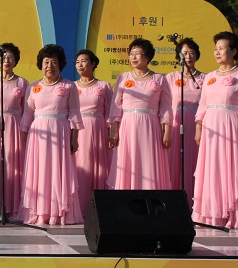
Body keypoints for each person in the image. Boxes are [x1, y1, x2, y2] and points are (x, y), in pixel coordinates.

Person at [192, 31, 238, 229]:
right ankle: (211, 215)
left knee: (232, 168)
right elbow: (203, 105)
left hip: (232, 126)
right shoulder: (210, 77)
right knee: (212, 169)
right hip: (211, 129)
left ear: (234, 51)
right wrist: (199, 127)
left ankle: (236, 214)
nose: (217, 52)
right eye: (215, 49)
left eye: (222, 48)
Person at [19, 44, 83, 226]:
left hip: (60, 132)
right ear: (41, 64)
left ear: (60, 65)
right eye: (46, 62)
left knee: (57, 171)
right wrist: (25, 138)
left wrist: (74, 138)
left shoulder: (69, 86)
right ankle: (39, 212)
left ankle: (58, 212)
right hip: (37, 135)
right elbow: (27, 114)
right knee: (40, 172)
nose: (49, 66)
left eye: (54, 62)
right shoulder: (33, 87)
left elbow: (74, 113)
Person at [107, 38, 173, 190]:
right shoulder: (123, 77)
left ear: (147, 57)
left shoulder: (160, 79)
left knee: (149, 161)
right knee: (128, 160)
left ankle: (150, 196)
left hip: (150, 127)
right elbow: (116, 106)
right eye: (131, 53)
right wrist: (113, 131)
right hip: (128, 126)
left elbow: (166, 107)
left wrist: (167, 132)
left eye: (138, 53)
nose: (133, 57)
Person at [0, 42, 29, 221]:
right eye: (3, 57)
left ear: (16, 60)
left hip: (15, 126)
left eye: (10, 57)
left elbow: (27, 111)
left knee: (14, 165)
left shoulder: (22, 83)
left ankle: (14, 207)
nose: (6, 60)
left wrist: (24, 133)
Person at [73, 49, 113, 217]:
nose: (80, 65)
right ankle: (80, 208)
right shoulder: (72, 87)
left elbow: (111, 111)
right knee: (81, 166)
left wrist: (111, 132)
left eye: (84, 61)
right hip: (79, 132)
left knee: (100, 168)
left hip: (99, 130)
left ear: (93, 63)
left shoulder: (104, 86)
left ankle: (101, 208)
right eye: (77, 62)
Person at [165, 38, 205, 202]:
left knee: (196, 162)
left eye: (191, 53)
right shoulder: (170, 78)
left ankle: (196, 201)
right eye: (184, 53)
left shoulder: (205, 78)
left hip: (198, 125)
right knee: (173, 163)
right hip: (176, 124)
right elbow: (165, 105)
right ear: (178, 56)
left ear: (197, 55)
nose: (188, 56)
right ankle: (174, 202)